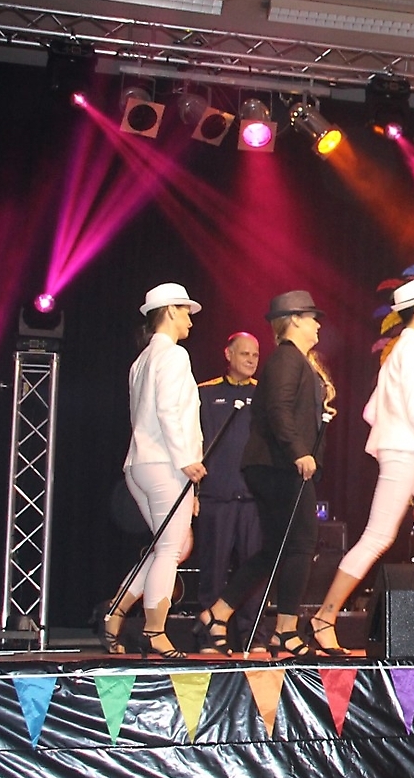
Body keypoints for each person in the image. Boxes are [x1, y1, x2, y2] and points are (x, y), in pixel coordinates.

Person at [312, 277, 414, 654]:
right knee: (378, 536)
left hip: (413, 450)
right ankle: (324, 617)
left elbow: (372, 410)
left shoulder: (402, 352)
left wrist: (395, 436)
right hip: (407, 450)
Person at [196, 290, 334, 658]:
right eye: (313, 318)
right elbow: (277, 408)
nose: (318, 325)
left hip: (275, 464)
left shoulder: (297, 361)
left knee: (275, 548)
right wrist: (298, 451)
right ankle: (285, 631)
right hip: (279, 465)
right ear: (295, 320)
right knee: (301, 543)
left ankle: (218, 612)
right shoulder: (287, 357)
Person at [101, 282, 205, 658]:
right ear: (172, 311)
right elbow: (168, 411)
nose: (190, 320)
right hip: (165, 463)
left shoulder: (142, 360)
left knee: (169, 546)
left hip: (140, 463)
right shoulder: (174, 355)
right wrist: (186, 459)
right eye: (186, 312)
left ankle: (116, 612)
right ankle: (155, 630)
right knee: (171, 549)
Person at [193, 333, 263, 641]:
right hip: (216, 496)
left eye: (255, 355)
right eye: (245, 354)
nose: (251, 360)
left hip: (253, 499)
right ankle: (210, 636)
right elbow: (193, 443)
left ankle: (253, 635)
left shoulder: (263, 394)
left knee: (253, 570)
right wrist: (194, 492)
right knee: (213, 569)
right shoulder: (205, 394)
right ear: (228, 354)